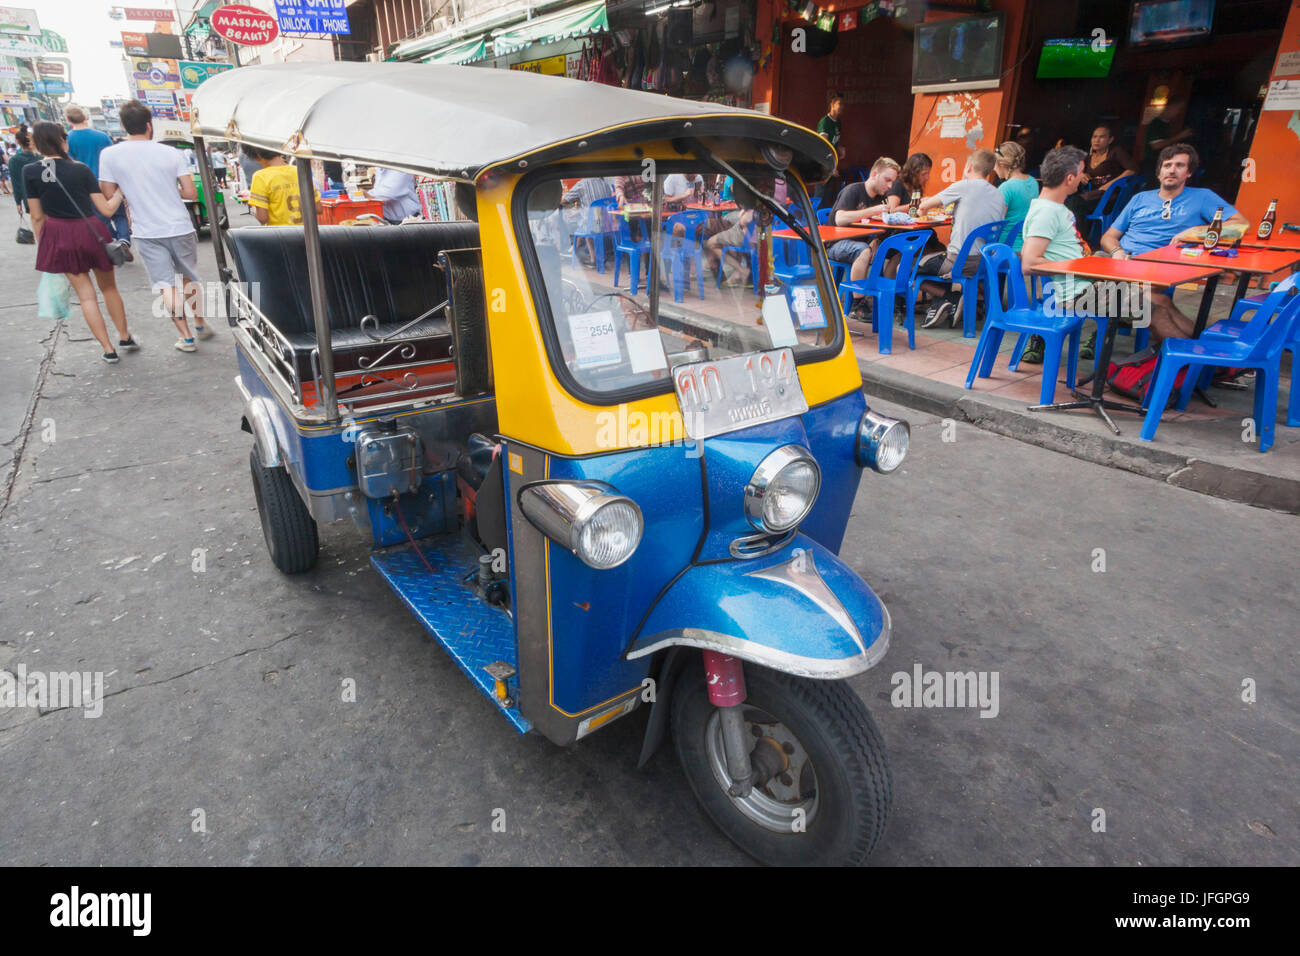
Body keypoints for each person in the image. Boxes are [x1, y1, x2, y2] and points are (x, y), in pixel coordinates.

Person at [1100, 143, 1249, 344]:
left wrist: (1194, 231)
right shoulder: (1139, 199)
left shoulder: (1202, 197)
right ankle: (1208, 351)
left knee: (1147, 299)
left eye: (1179, 165)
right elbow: (1108, 237)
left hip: (1161, 266)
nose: (1171, 170)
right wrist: (1117, 251)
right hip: (1123, 263)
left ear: (1189, 172)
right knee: (1158, 301)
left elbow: (1241, 224)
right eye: (1167, 165)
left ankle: (1196, 358)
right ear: (1159, 172)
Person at [98, 99, 211, 353]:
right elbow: (191, 193)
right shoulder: (172, 153)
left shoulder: (110, 154)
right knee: (189, 279)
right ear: (149, 126)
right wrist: (171, 187)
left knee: (165, 284)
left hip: (147, 231)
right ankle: (200, 322)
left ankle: (186, 337)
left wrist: (129, 188)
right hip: (180, 226)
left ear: (124, 126)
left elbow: (108, 193)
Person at [23, 121, 136, 364]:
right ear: (63, 141)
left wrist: (43, 243)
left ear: (37, 144)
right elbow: (106, 210)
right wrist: (119, 193)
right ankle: (125, 337)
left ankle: (108, 349)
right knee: (109, 288)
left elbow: (36, 215)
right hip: (90, 231)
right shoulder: (80, 169)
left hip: (58, 234)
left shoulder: (30, 171)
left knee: (86, 296)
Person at [1016, 146, 1093, 365]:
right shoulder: (1047, 212)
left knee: (1153, 300)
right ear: (1070, 178)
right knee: (1148, 304)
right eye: (1081, 173)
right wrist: (1081, 267)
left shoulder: (1056, 209)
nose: (1082, 178)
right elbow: (1029, 263)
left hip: (1083, 288)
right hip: (1077, 296)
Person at [915, 148, 1007, 328]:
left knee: (906, 267)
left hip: (959, 263)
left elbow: (925, 206)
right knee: (936, 254)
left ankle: (948, 298)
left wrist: (920, 210)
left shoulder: (963, 186)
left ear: (969, 166)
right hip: (984, 262)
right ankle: (950, 301)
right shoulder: (998, 194)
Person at [827, 157, 900, 308]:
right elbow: (840, 219)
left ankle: (892, 299)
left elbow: (884, 226)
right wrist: (872, 211)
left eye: (892, 181)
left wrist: (877, 240)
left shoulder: (882, 198)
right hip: (835, 243)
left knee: (897, 251)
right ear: (874, 174)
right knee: (863, 251)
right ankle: (857, 303)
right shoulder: (853, 190)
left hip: (862, 242)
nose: (890, 185)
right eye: (887, 180)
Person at [65, 105, 130, 247]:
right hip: (109, 180)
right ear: (85, 117)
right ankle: (124, 240)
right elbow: (114, 157)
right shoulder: (101, 136)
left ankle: (113, 242)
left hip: (87, 185)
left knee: (101, 217)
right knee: (119, 214)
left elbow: (69, 164)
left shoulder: (68, 140)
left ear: (68, 119)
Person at [1067, 123, 1137, 221]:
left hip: (1110, 196)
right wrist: (1082, 175)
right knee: (1071, 203)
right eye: (1094, 137)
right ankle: (1079, 234)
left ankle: (1078, 235)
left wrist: (1110, 184)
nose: (1097, 140)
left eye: (1102, 137)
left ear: (1110, 140)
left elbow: (1132, 169)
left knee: (1075, 203)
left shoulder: (1116, 152)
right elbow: (1077, 170)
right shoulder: (1088, 157)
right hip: (1092, 196)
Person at [246, 146, 317, 226]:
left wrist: (254, 209)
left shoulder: (260, 177)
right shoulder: (299, 170)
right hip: (307, 233)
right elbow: (318, 208)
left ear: (258, 155)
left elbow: (263, 218)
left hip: (280, 235)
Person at [993, 141, 1038, 251]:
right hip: (1026, 246)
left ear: (1002, 164)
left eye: (994, 164)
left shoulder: (1006, 188)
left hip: (1005, 248)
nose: (994, 168)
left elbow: (997, 222)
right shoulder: (1033, 182)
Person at [9, 125, 39, 218]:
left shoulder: (14, 160)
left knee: (37, 225)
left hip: (29, 197)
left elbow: (15, 182)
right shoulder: (41, 157)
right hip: (47, 196)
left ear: (17, 141)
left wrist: (18, 202)